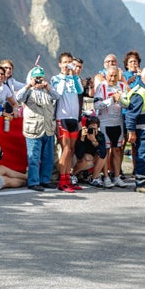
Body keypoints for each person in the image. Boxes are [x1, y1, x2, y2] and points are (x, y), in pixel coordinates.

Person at [16, 66, 59, 191]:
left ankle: (45, 180)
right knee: (34, 157)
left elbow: (57, 96)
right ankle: (33, 182)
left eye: (41, 77)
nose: (39, 80)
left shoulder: (48, 91)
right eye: (37, 78)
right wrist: (30, 85)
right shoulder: (28, 91)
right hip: (33, 129)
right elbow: (18, 98)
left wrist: (48, 87)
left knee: (48, 157)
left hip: (48, 128)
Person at [51, 52, 86, 192]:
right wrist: (65, 76)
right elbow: (57, 94)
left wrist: (74, 75)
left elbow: (80, 90)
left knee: (71, 150)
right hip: (62, 118)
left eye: (69, 62)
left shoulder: (74, 78)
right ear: (60, 64)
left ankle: (68, 178)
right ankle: (62, 181)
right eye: (65, 62)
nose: (67, 64)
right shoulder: (56, 78)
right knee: (65, 149)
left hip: (73, 118)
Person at [92, 64, 130, 188]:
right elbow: (97, 105)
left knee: (117, 150)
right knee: (106, 151)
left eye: (115, 76)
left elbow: (127, 105)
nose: (113, 79)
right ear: (106, 76)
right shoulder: (101, 87)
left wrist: (121, 100)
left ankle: (117, 176)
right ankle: (106, 176)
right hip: (105, 123)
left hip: (118, 123)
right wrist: (112, 99)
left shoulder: (123, 86)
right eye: (110, 76)